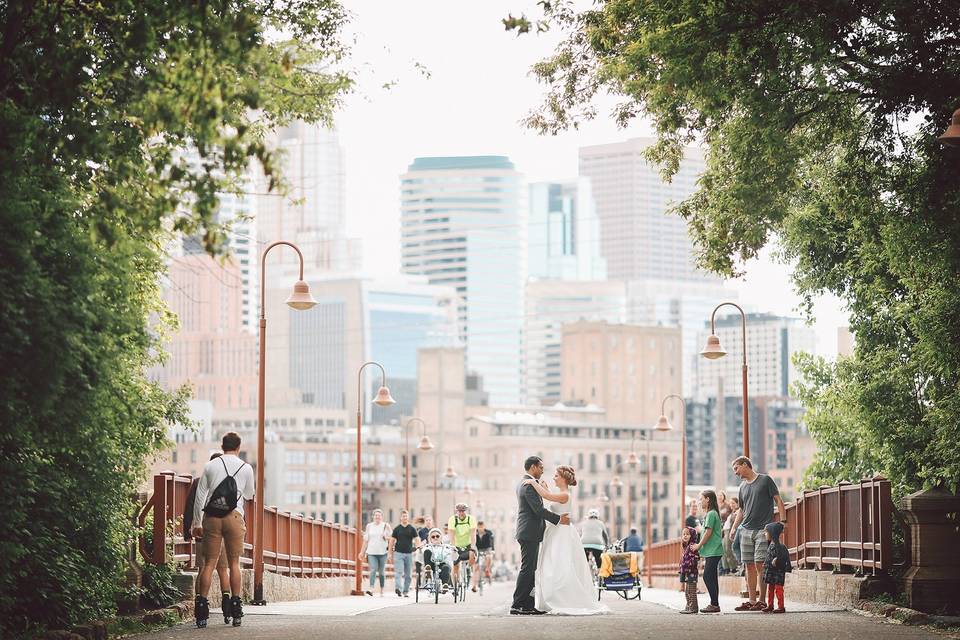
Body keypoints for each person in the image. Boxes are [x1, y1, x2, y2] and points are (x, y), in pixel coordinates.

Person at [523, 464, 609, 615]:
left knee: (559, 564)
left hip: (561, 534)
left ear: (563, 478)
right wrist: (544, 487)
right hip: (555, 531)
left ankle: (561, 598)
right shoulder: (561, 494)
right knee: (552, 564)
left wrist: (534, 483)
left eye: (556, 475)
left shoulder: (565, 495)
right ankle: (552, 597)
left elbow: (547, 497)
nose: (553, 477)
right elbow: (551, 498)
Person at [191, 432, 255, 628]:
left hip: (212, 518)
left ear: (222, 446)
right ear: (238, 447)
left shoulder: (210, 465)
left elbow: (200, 496)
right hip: (235, 517)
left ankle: (202, 611)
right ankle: (236, 610)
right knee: (234, 564)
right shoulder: (246, 467)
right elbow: (249, 494)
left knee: (209, 564)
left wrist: (197, 523)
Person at [511, 456, 569, 615]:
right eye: (541, 467)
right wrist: (558, 519)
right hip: (529, 532)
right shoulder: (528, 485)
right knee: (527, 569)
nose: (543, 470)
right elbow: (538, 510)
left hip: (530, 532)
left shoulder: (528, 483)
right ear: (533, 467)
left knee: (530, 569)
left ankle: (527, 605)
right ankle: (518, 604)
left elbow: (544, 501)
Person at [729, 456, 787, 612]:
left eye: (736, 468)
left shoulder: (765, 480)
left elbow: (778, 500)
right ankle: (752, 601)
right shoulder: (742, 487)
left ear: (745, 465)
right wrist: (734, 527)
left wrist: (783, 522)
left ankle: (762, 601)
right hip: (745, 530)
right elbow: (741, 510)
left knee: (761, 564)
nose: (735, 472)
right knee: (748, 566)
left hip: (763, 530)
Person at [184, 452, 232, 624]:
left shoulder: (198, 482)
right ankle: (227, 608)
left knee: (203, 568)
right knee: (223, 569)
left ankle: (200, 608)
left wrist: (187, 531)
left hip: (202, 531)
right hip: (225, 532)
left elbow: (190, 507)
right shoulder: (229, 483)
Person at [690, 490, 724, 613]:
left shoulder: (711, 514)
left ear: (708, 499)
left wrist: (698, 545)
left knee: (707, 576)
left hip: (714, 550)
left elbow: (708, 533)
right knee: (712, 577)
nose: (700, 502)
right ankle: (715, 604)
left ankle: (714, 604)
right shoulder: (711, 513)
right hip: (713, 550)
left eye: (701, 499)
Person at [359, 509, 391, 596]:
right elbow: (365, 540)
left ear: (382, 517)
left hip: (383, 552)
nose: (377, 517)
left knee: (381, 572)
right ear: (373, 516)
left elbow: (392, 539)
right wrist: (362, 552)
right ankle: (371, 588)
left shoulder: (386, 526)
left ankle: (382, 589)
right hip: (371, 552)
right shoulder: (369, 526)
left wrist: (386, 537)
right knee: (373, 569)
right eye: (376, 515)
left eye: (379, 515)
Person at [761, 521, 791, 613]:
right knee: (770, 589)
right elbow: (769, 557)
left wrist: (777, 560)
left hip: (778, 572)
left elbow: (784, 557)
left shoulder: (781, 547)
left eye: (766, 532)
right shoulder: (771, 545)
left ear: (772, 533)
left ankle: (781, 606)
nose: (765, 534)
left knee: (778, 589)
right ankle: (770, 605)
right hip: (771, 571)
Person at [390, 509, 419, 597]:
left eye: (406, 516)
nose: (405, 517)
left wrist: (418, 548)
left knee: (408, 574)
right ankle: (399, 588)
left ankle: (405, 591)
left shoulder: (412, 528)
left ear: (408, 517)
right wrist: (389, 553)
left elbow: (417, 539)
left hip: (409, 554)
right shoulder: (397, 529)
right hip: (398, 553)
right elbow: (391, 541)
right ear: (400, 518)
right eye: (403, 516)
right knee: (398, 572)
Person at [447, 503, 477, 590]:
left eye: (463, 511)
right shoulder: (452, 520)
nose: (461, 513)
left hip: (468, 545)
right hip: (456, 546)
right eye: (459, 511)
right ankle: (455, 586)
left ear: (465, 511)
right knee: (455, 566)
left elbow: (473, 535)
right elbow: (451, 536)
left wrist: (472, 547)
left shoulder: (471, 519)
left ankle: (468, 570)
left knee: (473, 555)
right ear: (457, 511)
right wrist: (453, 548)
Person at [678, 526, 700, 614]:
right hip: (687, 572)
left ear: (692, 536)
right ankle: (688, 606)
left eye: (687, 534)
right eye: (683, 534)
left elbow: (696, 557)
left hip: (692, 572)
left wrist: (689, 564)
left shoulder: (692, 546)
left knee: (691, 591)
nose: (685, 536)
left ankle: (693, 607)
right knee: (687, 591)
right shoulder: (685, 547)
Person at [721, 497, 740, 575]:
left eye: (733, 503)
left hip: (730, 531)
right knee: (724, 550)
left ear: (737, 504)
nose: (731, 505)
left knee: (728, 549)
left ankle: (734, 568)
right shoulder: (732, 512)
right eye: (730, 503)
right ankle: (727, 568)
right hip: (725, 532)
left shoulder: (738, 512)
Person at [475, 520, 495, 586]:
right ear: (477, 527)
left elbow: (492, 542)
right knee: (476, 564)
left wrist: (492, 549)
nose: (480, 528)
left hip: (487, 548)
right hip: (478, 549)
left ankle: (487, 569)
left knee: (488, 556)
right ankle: (478, 579)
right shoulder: (475, 533)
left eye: (481, 527)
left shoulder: (489, 533)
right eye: (479, 527)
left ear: (484, 527)